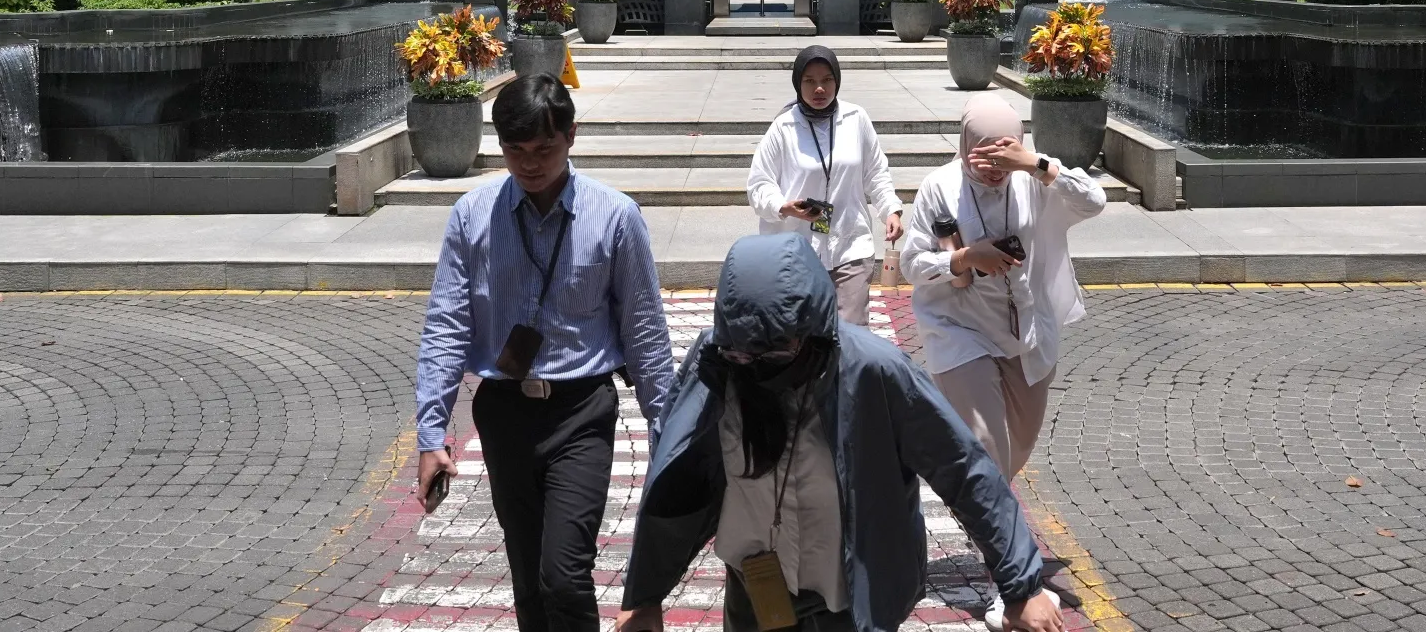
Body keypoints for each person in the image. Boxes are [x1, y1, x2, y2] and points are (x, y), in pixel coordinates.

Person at [614, 234, 1065, 632]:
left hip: (850, 597)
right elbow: (675, 477)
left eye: (777, 353)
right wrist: (644, 596)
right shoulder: (719, 360)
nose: (757, 365)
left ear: (814, 331)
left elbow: (963, 470)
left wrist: (1021, 586)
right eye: (744, 354)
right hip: (753, 590)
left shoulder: (875, 371)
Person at [417, 75, 676, 632]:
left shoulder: (616, 216)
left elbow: (645, 332)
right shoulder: (472, 215)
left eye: (544, 149)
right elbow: (446, 326)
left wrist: (667, 431)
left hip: (581, 412)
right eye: (515, 150)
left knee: (564, 573)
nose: (530, 164)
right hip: (504, 412)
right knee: (529, 578)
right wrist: (431, 434)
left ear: (571, 137)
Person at [900, 96, 1107, 504]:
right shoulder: (940, 187)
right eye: (985, 156)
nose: (995, 168)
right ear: (965, 145)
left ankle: (983, 503)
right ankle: (996, 530)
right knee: (988, 444)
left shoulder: (1032, 175)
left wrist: (1033, 164)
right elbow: (911, 264)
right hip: (960, 329)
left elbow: (1093, 200)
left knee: (1021, 442)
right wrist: (964, 258)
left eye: (1003, 155)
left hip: (1025, 332)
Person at [746, 45, 902, 326]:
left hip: (850, 243)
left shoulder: (856, 119)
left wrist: (890, 209)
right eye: (810, 81)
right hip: (796, 250)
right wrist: (783, 207)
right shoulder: (783, 128)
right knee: (802, 334)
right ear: (798, 83)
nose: (819, 89)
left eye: (827, 80)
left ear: (837, 81)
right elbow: (759, 184)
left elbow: (876, 172)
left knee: (852, 332)